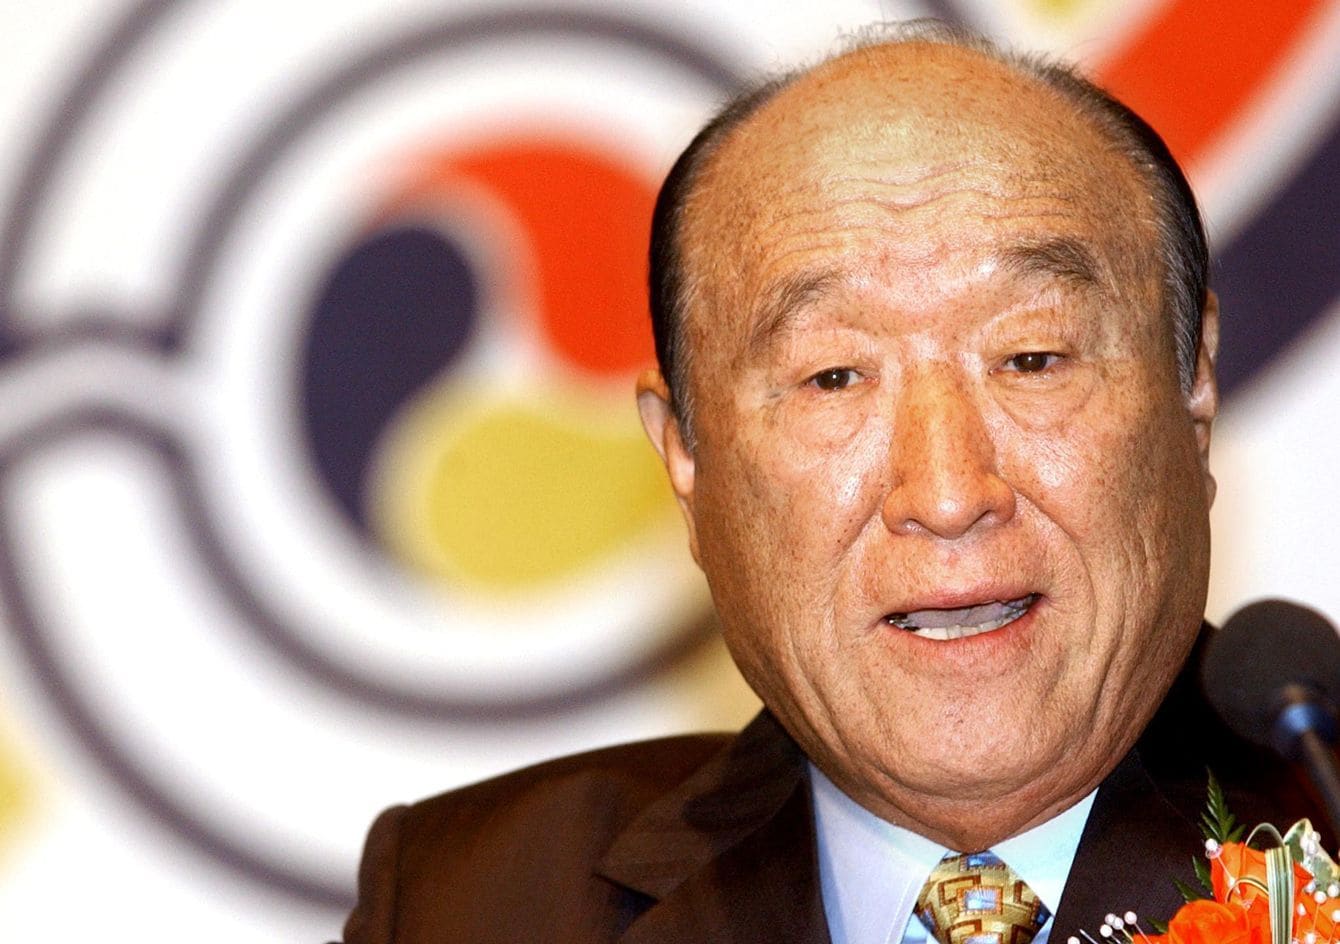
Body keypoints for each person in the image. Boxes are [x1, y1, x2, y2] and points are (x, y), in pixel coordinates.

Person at [341, 21, 1317, 944]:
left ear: (1192, 391)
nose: (946, 493)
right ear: (684, 454)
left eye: (1030, 357)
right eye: (832, 376)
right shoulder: (473, 900)